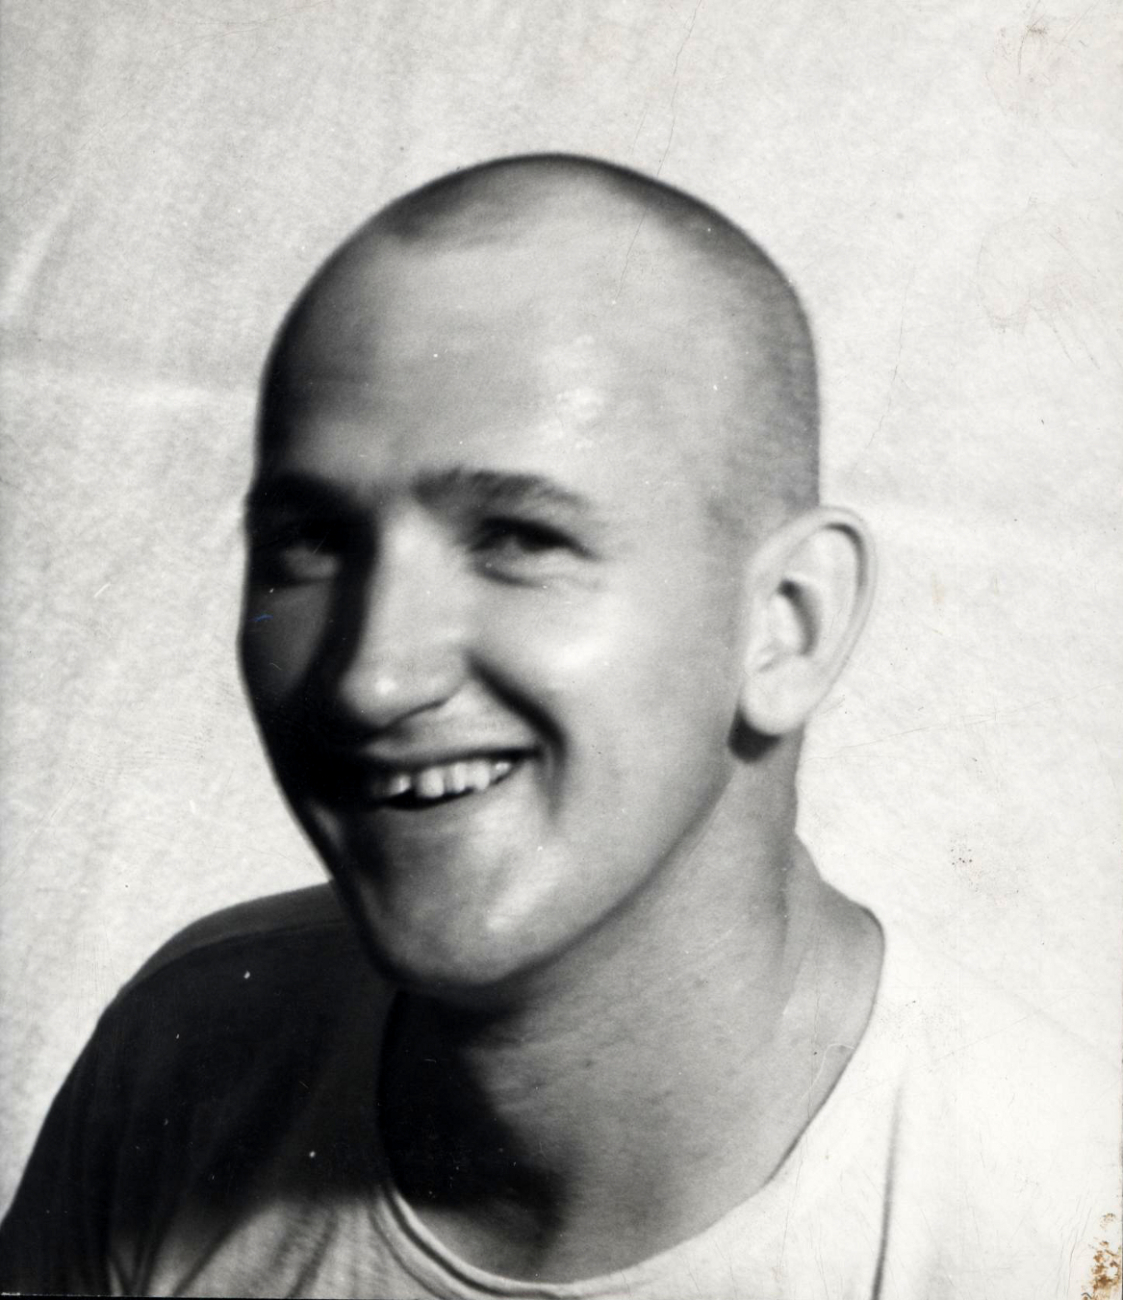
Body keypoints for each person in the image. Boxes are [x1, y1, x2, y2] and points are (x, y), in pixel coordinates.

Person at [0, 155, 1115, 1299]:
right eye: (309, 542)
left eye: (518, 539)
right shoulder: (188, 1052)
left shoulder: (1057, 1224)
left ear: (786, 625)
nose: (372, 678)